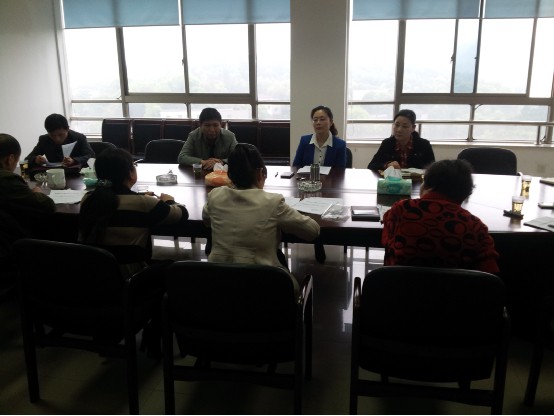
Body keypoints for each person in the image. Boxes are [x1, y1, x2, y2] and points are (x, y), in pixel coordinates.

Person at [202, 143, 320, 287]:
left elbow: (206, 220)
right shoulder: (273, 202)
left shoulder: (215, 196)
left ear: (229, 174)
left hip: (218, 283)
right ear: (260, 173)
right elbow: (312, 231)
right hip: (263, 286)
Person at [78, 147, 189, 278]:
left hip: (93, 273)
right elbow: (182, 214)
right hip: (131, 276)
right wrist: (169, 200)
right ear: (131, 173)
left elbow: (118, 201)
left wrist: (139, 197)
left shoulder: (88, 199)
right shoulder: (145, 203)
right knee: (174, 268)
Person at [381, 159, 499, 274]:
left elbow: (386, 241)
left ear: (428, 186)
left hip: (399, 285)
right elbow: (489, 274)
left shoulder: (402, 209)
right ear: (466, 194)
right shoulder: (476, 227)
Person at [0, 134, 56, 290]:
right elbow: (46, 207)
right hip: (9, 251)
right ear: (10, 159)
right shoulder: (6, 179)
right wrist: (37, 193)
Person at [367, 109, 435, 171]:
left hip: (416, 180)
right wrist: (387, 165)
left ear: (413, 128)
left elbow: (433, 170)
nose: (399, 130)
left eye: (405, 126)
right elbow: (371, 166)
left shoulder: (424, 145)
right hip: (393, 180)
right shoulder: (387, 143)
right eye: (397, 125)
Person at [26, 113, 95, 169]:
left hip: (76, 174)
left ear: (67, 129)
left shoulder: (79, 138)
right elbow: (27, 159)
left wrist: (74, 161)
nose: (57, 139)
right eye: (52, 135)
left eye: (61, 135)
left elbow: (91, 156)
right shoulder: (44, 140)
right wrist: (35, 160)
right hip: (53, 174)